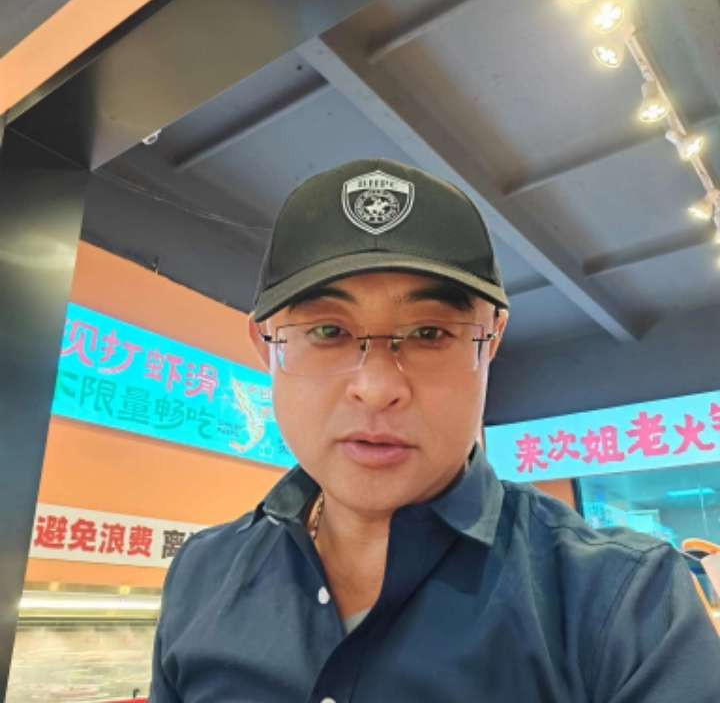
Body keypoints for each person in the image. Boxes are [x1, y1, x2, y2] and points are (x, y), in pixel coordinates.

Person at [150, 160, 720, 702]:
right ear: (265, 345)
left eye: (429, 333)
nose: (377, 387)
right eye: (327, 331)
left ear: (490, 341)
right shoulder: (203, 574)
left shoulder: (624, 601)